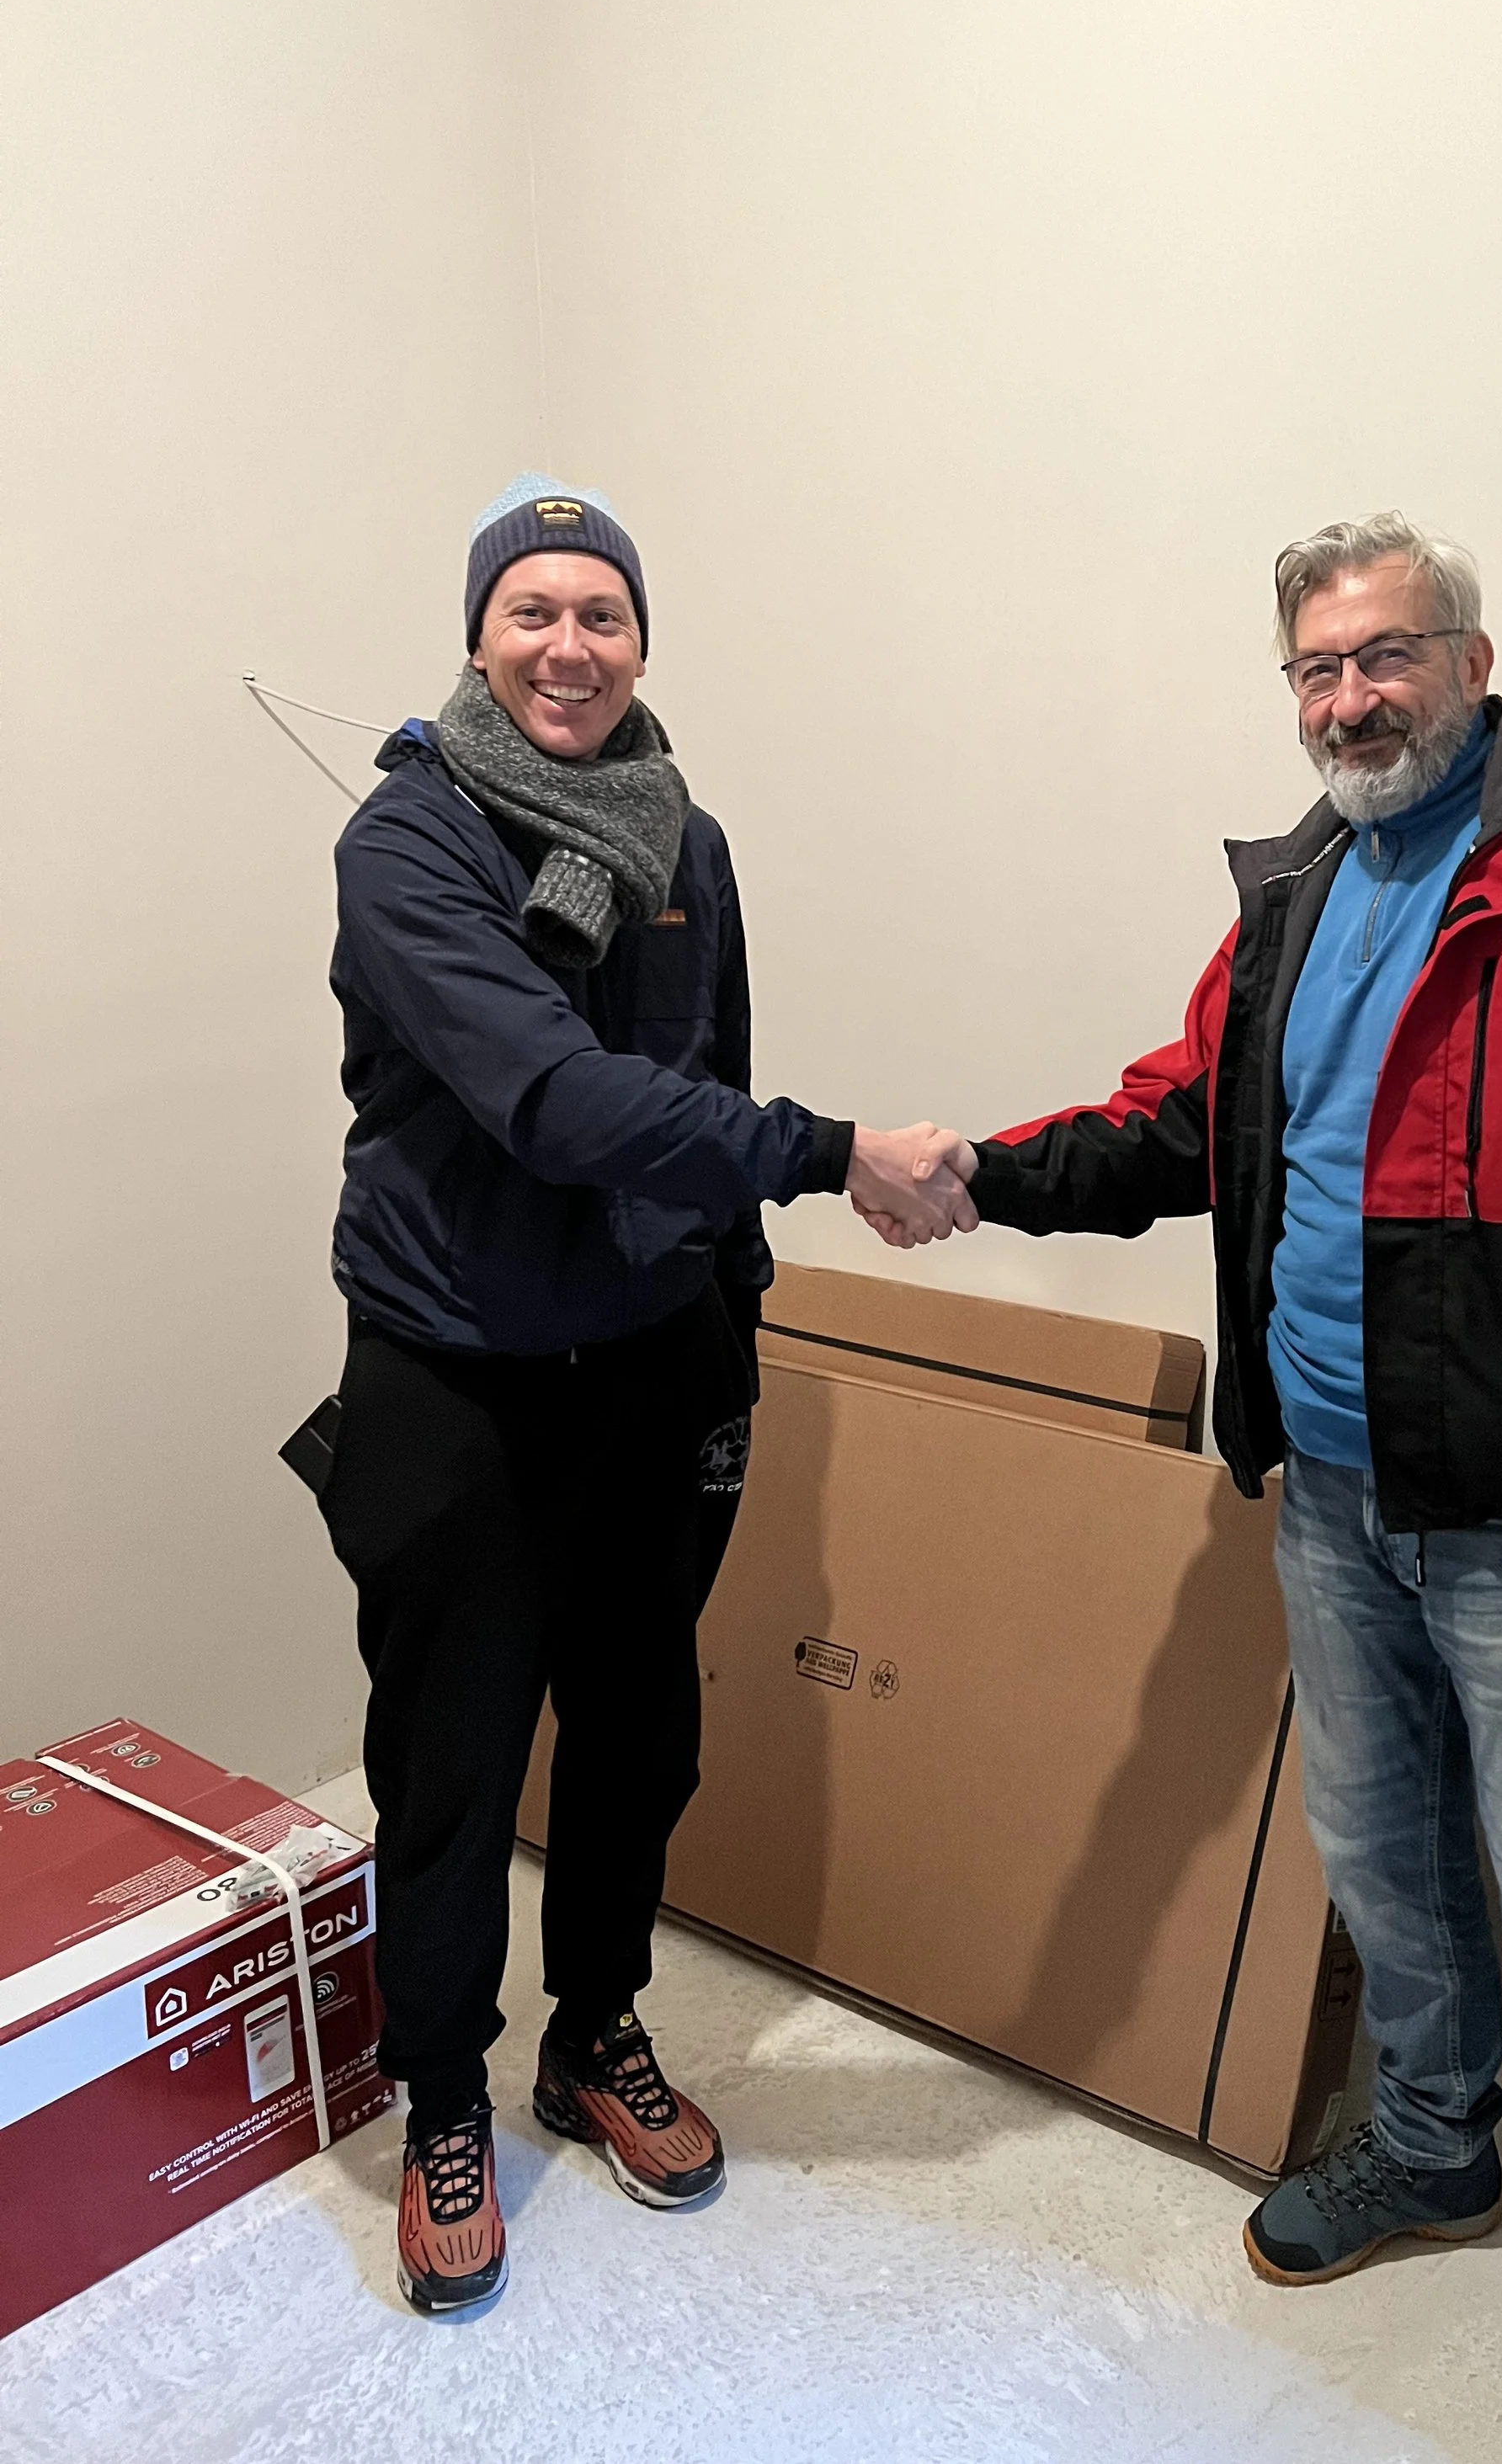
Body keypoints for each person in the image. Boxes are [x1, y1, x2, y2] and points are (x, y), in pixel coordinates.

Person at [861, 514, 1502, 2464]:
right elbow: (1180, 1118)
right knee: (1384, 1868)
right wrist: (974, 1167)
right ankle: (1427, 2143)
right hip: (1327, 1493)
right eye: (1314, 668)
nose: (1348, 697)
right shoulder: (1296, 891)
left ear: (1472, 660)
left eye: (1384, 655)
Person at [322, 474, 972, 2316]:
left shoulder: (685, 835)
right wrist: (831, 1154)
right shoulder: (409, 843)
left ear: (638, 645)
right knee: (449, 1766)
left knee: (636, 1729)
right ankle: (444, 2089)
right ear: (476, 634)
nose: (567, 644)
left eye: (600, 614)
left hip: (653, 1364)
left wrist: (731, 1306)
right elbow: (546, 1093)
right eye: (531, 609)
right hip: (453, 1369)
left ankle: (590, 2028)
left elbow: (702, 1065)